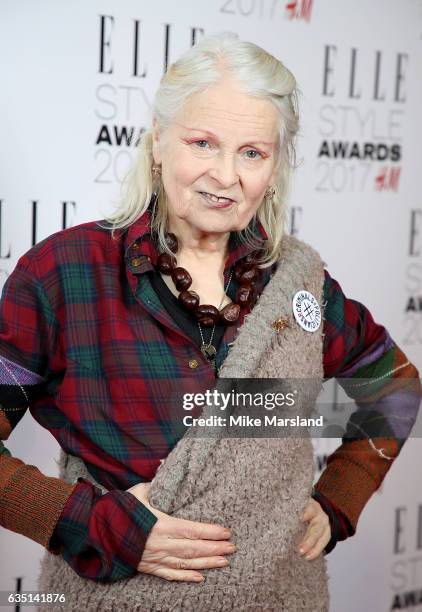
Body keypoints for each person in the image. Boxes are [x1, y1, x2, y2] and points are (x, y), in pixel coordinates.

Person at [0, 32, 420, 611]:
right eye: (203, 142)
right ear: (158, 141)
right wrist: (92, 523)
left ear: (275, 165)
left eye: (253, 152)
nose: (226, 176)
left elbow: (394, 385)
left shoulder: (295, 282)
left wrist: (337, 498)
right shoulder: (64, 274)